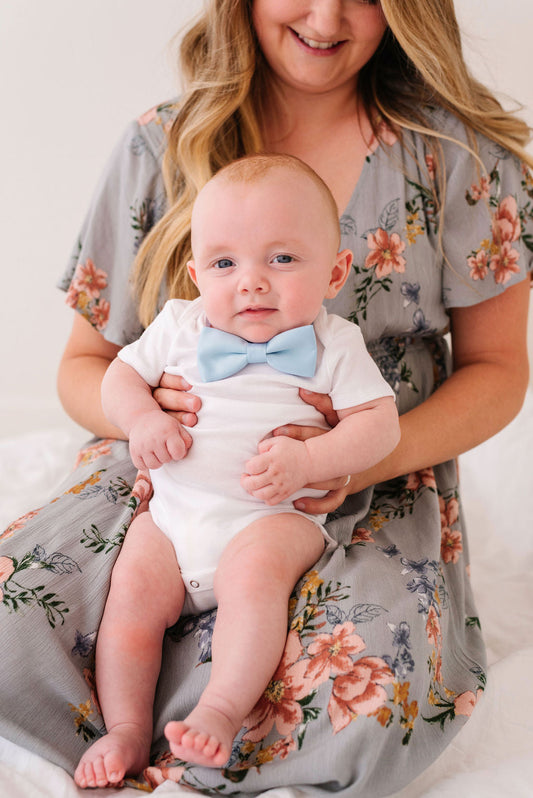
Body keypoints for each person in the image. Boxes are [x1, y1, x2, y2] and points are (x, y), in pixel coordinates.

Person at [1, 1, 531, 795]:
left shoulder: (457, 157)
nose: (326, 15)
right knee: (17, 614)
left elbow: (497, 369)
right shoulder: (160, 144)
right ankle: (126, 730)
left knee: (369, 698)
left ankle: (210, 728)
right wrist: (144, 420)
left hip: (354, 480)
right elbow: (87, 364)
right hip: (164, 473)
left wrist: (350, 463)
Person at [74, 153, 400, 788]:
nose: (251, 282)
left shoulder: (335, 344)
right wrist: (141, 419)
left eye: (281, 259)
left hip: (273, 518)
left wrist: (312, 458)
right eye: (226, 263)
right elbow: (117, 376)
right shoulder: (178, 326)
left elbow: (379, 425)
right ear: (196, 274)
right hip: (172, 517)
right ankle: (126, 728)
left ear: (335, 272)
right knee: (128, 600)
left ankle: (221, 710)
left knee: (254, 579)